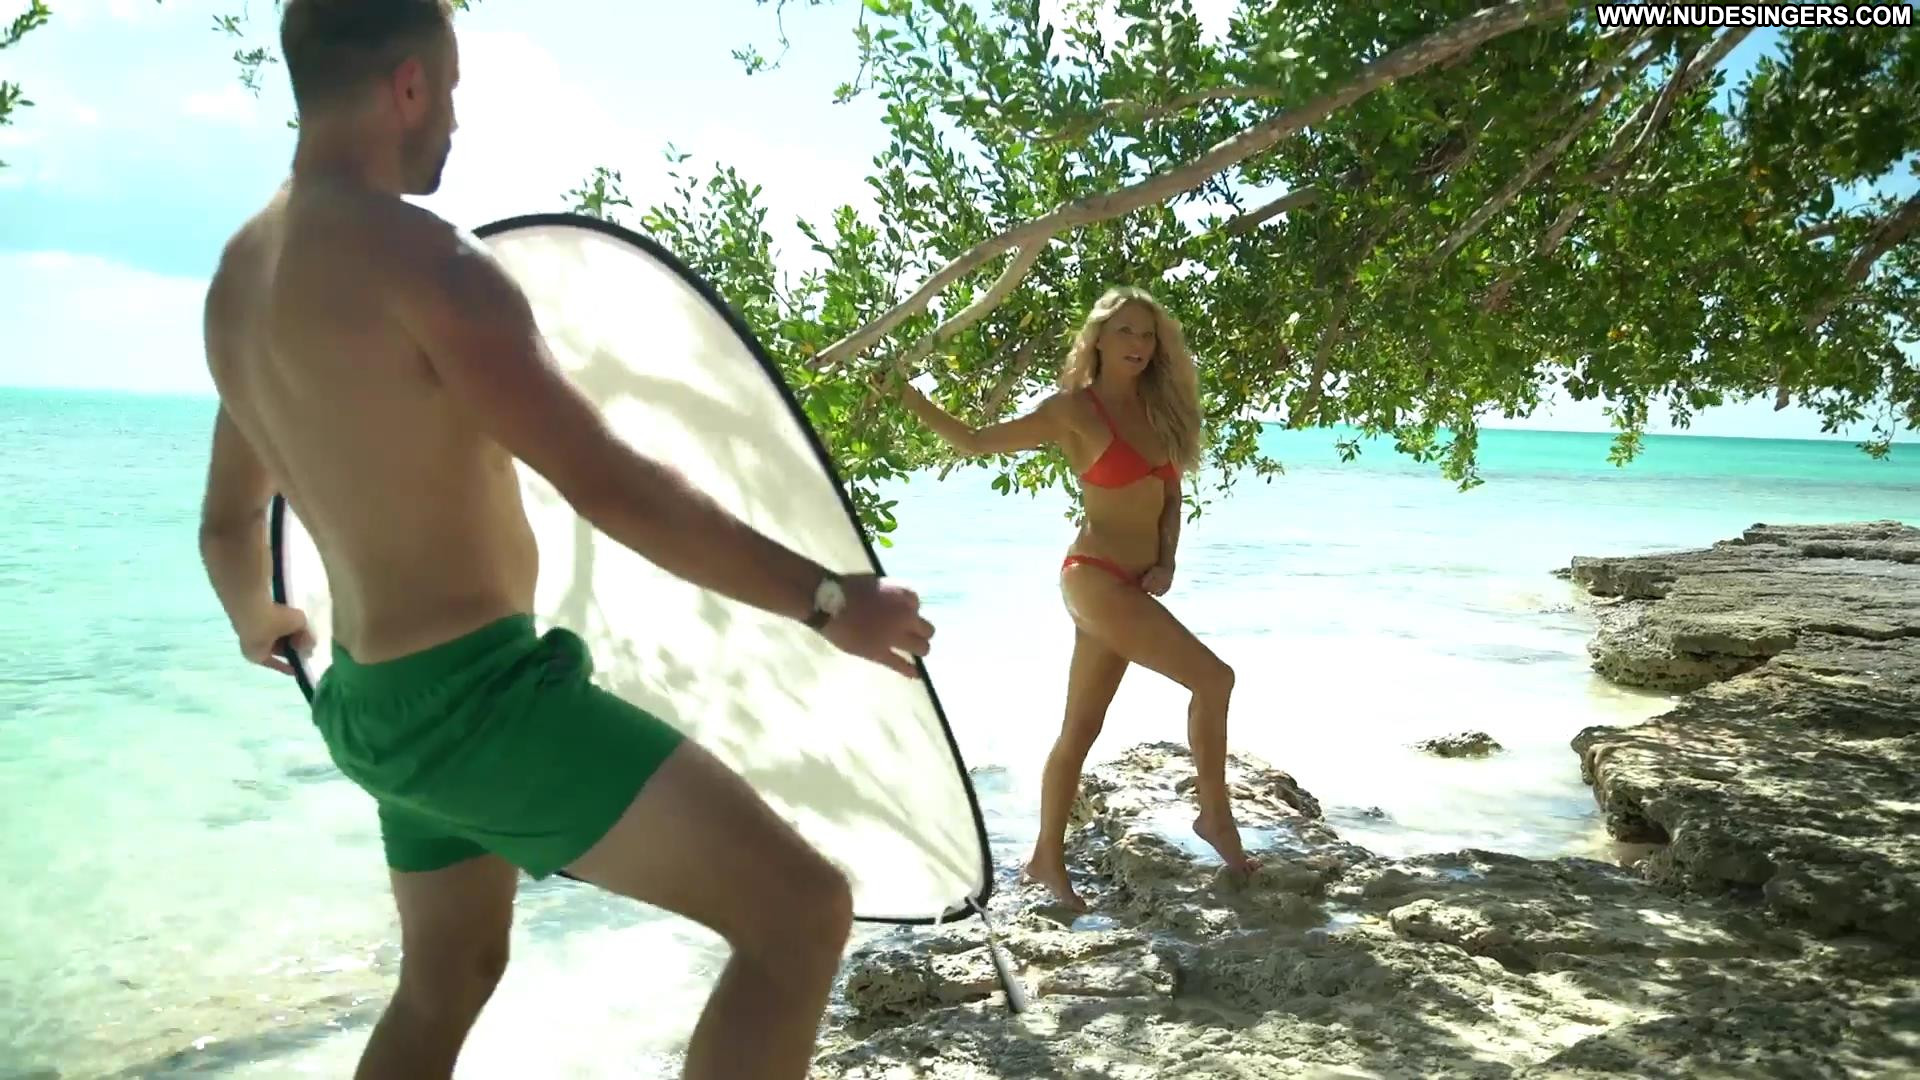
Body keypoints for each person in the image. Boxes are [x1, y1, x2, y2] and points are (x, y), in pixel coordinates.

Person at [193, 3, 935, 1077]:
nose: (455, 120)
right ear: (409, 85)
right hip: (482, 707)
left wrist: (257, 620)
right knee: (801, 913)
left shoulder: (237, 283)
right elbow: (608, 484)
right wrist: (829, 602)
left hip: (367, 707)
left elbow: (226, 524)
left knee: (448, 978)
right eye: (451, 90)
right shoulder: (427, 265)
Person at [891, 286, 1256, 912]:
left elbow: (1170, 500)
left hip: (1132, 582)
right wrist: (905, 395)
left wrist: (1167, 561)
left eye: (1148, 334)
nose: (1138, 344)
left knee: (1080, 729)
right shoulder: (1072, 411)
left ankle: (1044, 859)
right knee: (1214, 679)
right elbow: (975, 440)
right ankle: (1214, 816)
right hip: (1094, 577)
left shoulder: (1160, 411)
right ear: (1099, 339)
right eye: (1126, 332)